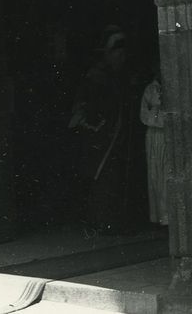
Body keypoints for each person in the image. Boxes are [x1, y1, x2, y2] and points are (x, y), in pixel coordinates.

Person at [69, 25, 131, 230]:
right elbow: (89, 107)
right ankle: (103, 221)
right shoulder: (96, 76)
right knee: (102, 178)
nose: (122, 56)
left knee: (113, 178)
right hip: (99, 135)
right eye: (117, 50)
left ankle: (112, 219)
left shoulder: (118, 75)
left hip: (114, 136)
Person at [140, 76, 168, 226]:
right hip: (156, 135)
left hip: (168, 133)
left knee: (167, 173)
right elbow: (144, 114)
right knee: (157, 173)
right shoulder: (151, 89)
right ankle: (161, 215)